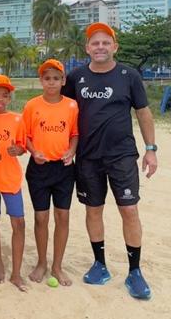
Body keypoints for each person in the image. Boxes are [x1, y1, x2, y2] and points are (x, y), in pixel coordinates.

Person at [62, 22, 158, 301]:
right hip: (88, 157)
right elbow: (65, 115)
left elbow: (143, 113)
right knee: (93, 210)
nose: (100, 47)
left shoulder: (129, 76)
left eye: (106, 42)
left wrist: (151, 149)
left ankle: (135, 271)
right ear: (87, 48)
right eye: (95, 43)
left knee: (129, 211)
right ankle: (100, 264)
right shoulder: (75, 77)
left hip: (122, 156)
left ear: (115, 47)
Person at [21, 59, 79, 286]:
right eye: (47, 78)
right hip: (39, 168)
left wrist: (72, 151)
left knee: (62, 216)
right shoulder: (32, 106)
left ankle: (57, 265)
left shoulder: (72, 106)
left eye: (56, 78)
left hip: (64, 168)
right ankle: (42, 262)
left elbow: (75, 133)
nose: (52, 83)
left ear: (63, 80)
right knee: (41, 217)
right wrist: (34, 151)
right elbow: (25, 135)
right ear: (41, 81)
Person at [0, 75, 28, 293]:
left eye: (5, 95)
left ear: (10, 98)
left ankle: (16, 273)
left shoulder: (17, 119)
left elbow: (22, 145)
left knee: (19, 223)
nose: (0, 99)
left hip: (10, 179)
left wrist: (17, 150)